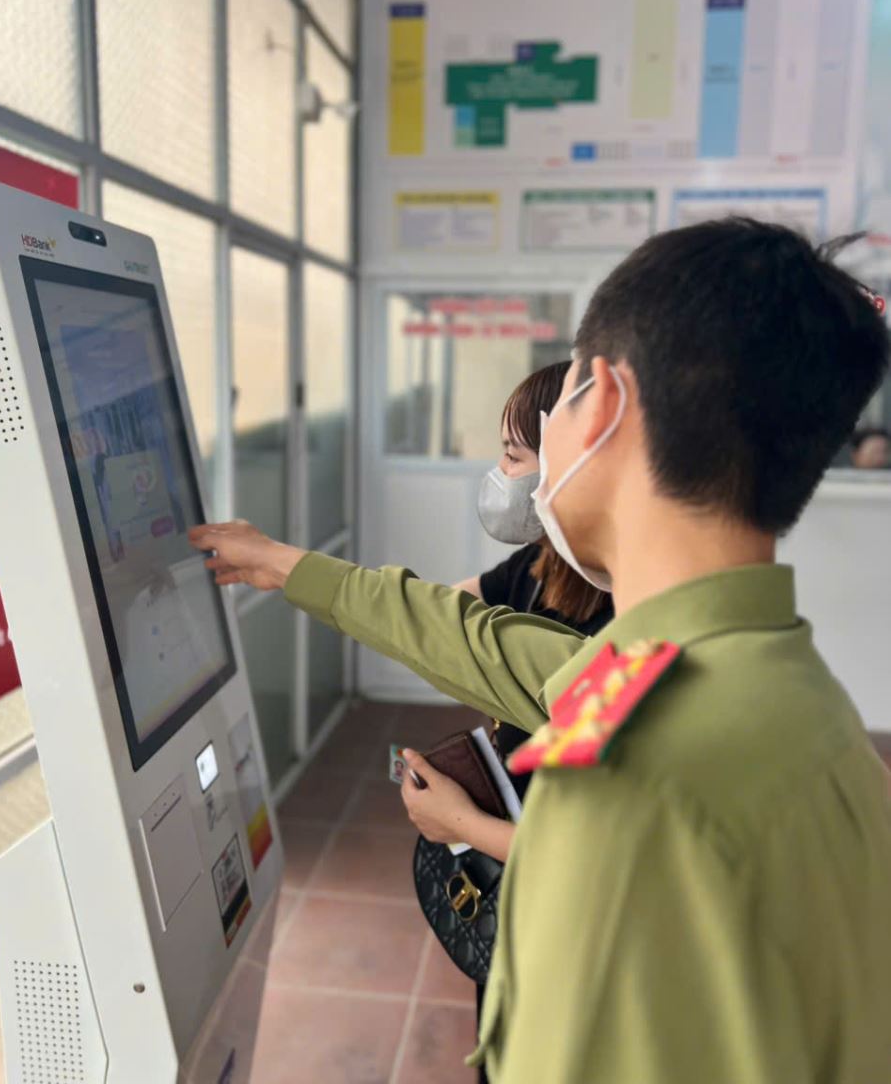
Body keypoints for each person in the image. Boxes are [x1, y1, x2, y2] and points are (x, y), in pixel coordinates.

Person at [191, 218, 891, 1084]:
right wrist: (283, 565)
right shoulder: (788, 701)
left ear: (602, 405)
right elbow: (486, 645)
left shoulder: (627, 781)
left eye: (559, 404)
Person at [400, 362, 613, 1084]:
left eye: (515, 456)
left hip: (569, 918)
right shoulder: (539, 565)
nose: (501, 476)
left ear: (568, 462)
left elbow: (586, 852)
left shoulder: (626, 629)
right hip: (517, 899)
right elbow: (439, 615)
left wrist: (457, 821)